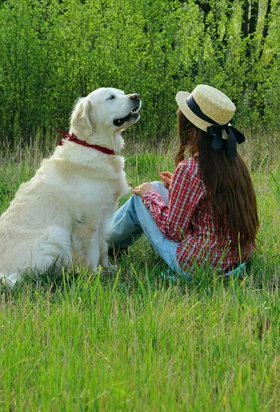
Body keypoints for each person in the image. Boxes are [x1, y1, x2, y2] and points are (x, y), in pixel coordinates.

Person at [109, 85, 259, 279]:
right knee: (156, 186)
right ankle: (111, 246)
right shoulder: (233, 162)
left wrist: (149, 196)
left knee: (142, 197)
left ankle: (100, 245)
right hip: (233, 259)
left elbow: (173, 231)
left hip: (198, 265)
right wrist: (176, 187)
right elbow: (209, 201)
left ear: (191, 130)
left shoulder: (190, 168)